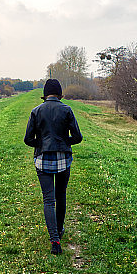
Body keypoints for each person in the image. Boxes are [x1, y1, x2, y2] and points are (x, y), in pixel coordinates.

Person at [24, 79, 82, 255]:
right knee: (61, 195)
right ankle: (60, 229)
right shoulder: (67, 110)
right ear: (60, 95)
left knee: (48, 199)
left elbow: (28, 139)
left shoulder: (36, 111)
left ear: (45, 95)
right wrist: (64, 142)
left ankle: (55, 240)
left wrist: (41, 144)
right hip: (64, 158)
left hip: (43, 159)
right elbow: (78, 137)